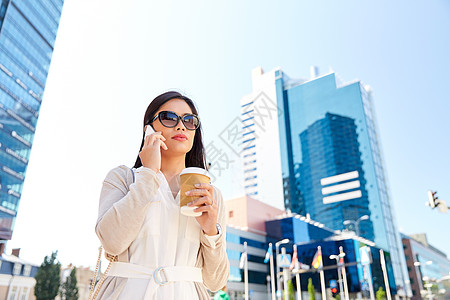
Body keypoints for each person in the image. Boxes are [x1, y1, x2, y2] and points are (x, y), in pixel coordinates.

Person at [94, 91, 230, 299]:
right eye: (169, 118)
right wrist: (148, 174)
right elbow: (112, 242)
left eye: (189, 120)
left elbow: (216, 281)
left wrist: (211, 231)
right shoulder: (123, 178)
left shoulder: (210, 195)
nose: (181, 126)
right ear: (148, 129)